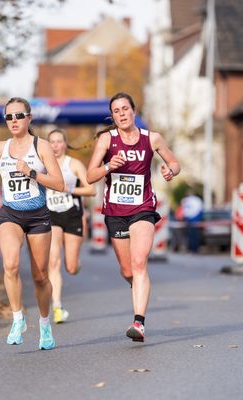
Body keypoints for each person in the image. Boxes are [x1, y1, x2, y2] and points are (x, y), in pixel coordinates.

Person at [86, 92, 180, 342]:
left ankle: (139, 323)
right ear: (112, 116)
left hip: (143, 208)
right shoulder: (107, 140)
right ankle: (138, 285)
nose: (122, 114)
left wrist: (170, 171)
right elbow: (90, 176)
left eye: (125, 109)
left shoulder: (152, 138)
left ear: (134, 111)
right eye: (116, 111)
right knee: (127, 269)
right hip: (115, 212)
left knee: (139, 264)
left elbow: (174, 162)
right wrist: (108, 166)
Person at [0, 97, 64, 350]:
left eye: (19, 116)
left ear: (29, 118)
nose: (14, 121)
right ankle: (18, 319)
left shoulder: (42, 147)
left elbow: (60, 184)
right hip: (11, 214)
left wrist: (32, 173)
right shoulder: (1, 147)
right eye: (9, 117)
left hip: (38, 216)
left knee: (40, 277)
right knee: (10, 265)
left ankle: (44, 323)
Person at [46, 128, 95, 324]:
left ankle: (76, 263)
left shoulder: (73, 164)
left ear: (65, 144)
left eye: (59, 141)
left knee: (71, 267)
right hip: (51, 215)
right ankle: (57, 306)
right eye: (52, 142)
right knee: (53, 262)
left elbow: (91, 190)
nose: (55, 145)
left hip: (72, 215)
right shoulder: (44, 165)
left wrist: (69, 189)